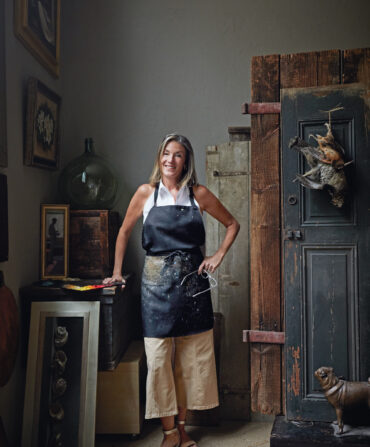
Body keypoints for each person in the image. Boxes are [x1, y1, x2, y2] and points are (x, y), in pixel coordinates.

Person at [104, 134, 240, 447]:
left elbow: (232, 224)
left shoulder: (199, 195)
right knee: (159, 361)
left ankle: (180, 429)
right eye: (166, 153)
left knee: (189, 362)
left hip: (193, 287)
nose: (170, 160)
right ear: (159, 157)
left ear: (185, 161)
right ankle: (169, 433)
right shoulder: (145, 194)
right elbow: (124, 232)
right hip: (155, 288)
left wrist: (216, 256)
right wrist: (116, 272)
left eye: (178, 155)